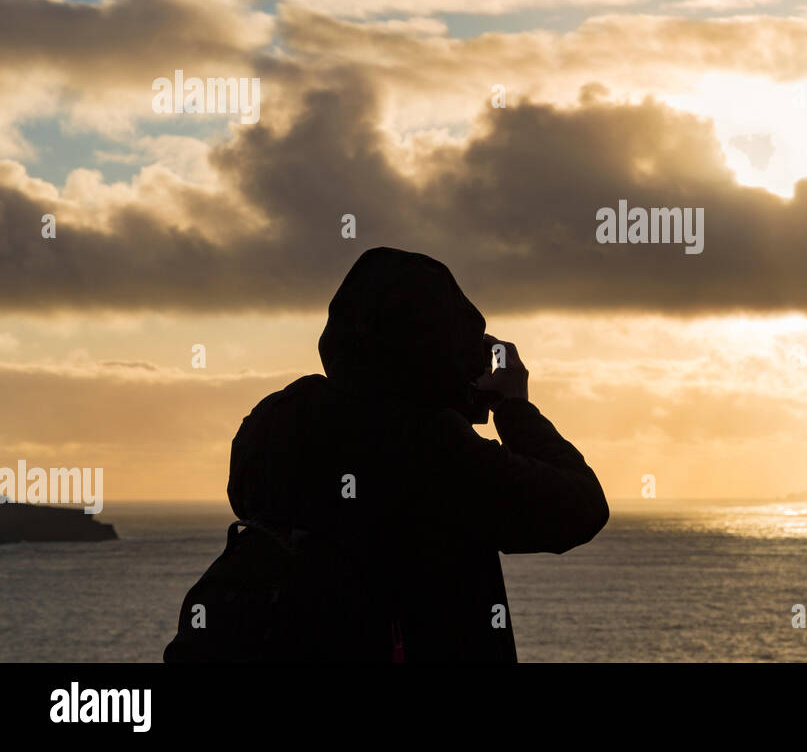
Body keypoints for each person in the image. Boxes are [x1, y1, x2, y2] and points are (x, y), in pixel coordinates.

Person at [165, 246, 609, 662]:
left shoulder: (278, 425)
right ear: (438, 349)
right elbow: (580, 508)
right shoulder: (430, 452)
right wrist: (514, 407)